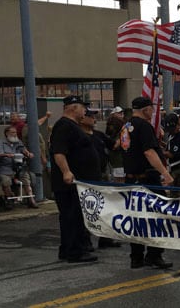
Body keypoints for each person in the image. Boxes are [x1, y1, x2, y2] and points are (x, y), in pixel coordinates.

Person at [122, 96, 174, 269]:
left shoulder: (127, 126)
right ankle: (154, 254)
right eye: (151, 108)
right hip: (147, 179)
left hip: (131, 178)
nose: (153, 111)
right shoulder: (144, 126)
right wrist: (165, 173)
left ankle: (136, 257)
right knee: (156, 217)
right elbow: (149, 152)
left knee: (137, 218)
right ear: (145, 109)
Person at [49, 95, 100, 263]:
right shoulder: (64, 125)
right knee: (72, 216)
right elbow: (59, 152)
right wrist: (66, 171)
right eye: (82, 107)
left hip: (79, 182)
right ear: (72, 108)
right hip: (69, 183)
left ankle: (69, 249)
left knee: (73, 216)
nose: (84, 110)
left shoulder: (73, 126)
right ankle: (74, 251)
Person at [80, 108, 120, 249]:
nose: (94, 119)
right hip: (87, 177)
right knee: (89, 209)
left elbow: (114, 145)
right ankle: (85, 241)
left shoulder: (98, 135)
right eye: (91, 116)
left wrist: (124, 133)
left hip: (102, 175)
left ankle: (106, 239)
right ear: (83, 118)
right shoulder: (78, 135)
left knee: (106, 208)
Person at [0, 126, 37, 210]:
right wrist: (7, 155)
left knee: (26, 179)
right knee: (6, 181)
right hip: (6, 167)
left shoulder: (18, 142)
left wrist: (28, 154)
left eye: (15, 132)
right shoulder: (1, 142)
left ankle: (31, 200)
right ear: (7, 133)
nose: (15, 134)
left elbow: (23, 150)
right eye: (13, 132)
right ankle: (9, 198)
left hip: (19, 167)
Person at [162, 112, 180, 196]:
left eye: (172, 129)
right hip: (174, 170)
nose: (170, 132)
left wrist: (159, 152)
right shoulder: (172, 135)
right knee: (174, 195)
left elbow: (172, 154)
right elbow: (170, 147)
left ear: (178, 125)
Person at [105, 106, 126, 182]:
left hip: (121, 159)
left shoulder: (123, 127)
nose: (121, 114)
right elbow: (114, 146)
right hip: (118, 159)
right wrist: (123, 135)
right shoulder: (113, 124)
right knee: (120, 181)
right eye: (119, 113)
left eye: (122, 113)